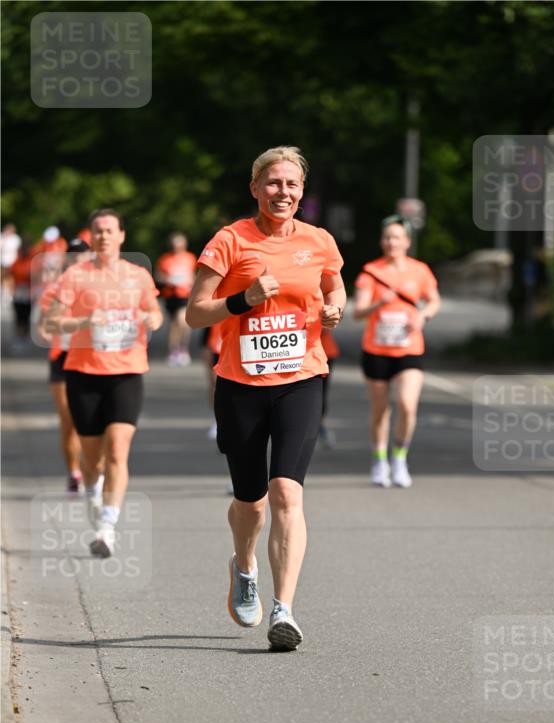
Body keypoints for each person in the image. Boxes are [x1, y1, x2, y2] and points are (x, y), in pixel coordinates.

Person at [186, 146, 345, 650]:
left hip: (301, 377)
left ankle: (285, 610)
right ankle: (245, 565)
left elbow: (335, 287)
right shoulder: (230, 241)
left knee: (287, 493)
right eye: (273, 183)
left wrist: (335, 310)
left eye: (292, 185)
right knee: (250, 502)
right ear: (254, 188)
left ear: (303, 191)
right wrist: (244, 299)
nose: (283, 193)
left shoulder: (319, 241)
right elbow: (195, 314)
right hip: (241, 385)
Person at [45, 209, 162, 556]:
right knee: (92, 460)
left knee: (118, 450)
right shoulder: (75, 276)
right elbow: (52, 323)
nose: (104, 236)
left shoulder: (138, 275)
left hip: (127, 372)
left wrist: (149, 318)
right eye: (98, 231)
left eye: (110, 231)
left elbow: (155, 312)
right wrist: (83, 320)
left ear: (121, 236)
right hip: (84, 374)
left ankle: (107, 528)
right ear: (91, 236)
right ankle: (92, 489)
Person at [353, 215, 440, 487]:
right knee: (380, 410)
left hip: (409, 349)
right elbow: (357, 312)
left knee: (406, 404)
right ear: (382, 241)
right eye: (388, 237)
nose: (392, 242)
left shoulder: (420, 270)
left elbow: (434, 301)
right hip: (376, 350)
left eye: (397, 237)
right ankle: (380, 461)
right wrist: (379, 303)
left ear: (407, 242)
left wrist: (423, 316)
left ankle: (399, 458)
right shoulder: (370, 271)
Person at [36, 238, 92, 494]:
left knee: (90, 421)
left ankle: (91, 469)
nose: (78, 258)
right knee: (69, 419)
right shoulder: (57, 288)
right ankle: (74, 472)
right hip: (63, 359)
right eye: (74, 254)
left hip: (93, 359)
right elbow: (44, 323)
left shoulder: (100, 286)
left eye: (83, 254)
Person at [156, 233, 197, 366]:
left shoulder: (190, 258)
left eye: (179, 244)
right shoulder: (165, 259)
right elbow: (158, 276)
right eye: (175, 244)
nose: (177, 247)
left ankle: (183, 348)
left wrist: (190, 281)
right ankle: (174, 351)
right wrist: (169, 280)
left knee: (183, 320)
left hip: (185, 294)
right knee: (174, 324)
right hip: (171, 295)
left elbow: (194, 275)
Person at [10, 240, 32, 352]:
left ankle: (25, 337)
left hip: (28, 294)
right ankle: (19, 338)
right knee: (19, 317)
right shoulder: (16, 262)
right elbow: (11, 274)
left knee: (26, 316)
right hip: (18, 293)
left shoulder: (31, 262)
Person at [319, 327, 339, 448]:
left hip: (324, 351)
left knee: (320, 393)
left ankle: (320, 425)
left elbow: (328, 324)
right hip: (290, 355)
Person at [1, 222, 21, 300]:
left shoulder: (15, 239)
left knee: (10, 277)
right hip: (2, 261)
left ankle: (10, 294)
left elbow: (13, 249)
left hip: (11, 261)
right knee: (2, 276)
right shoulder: (2, 237)